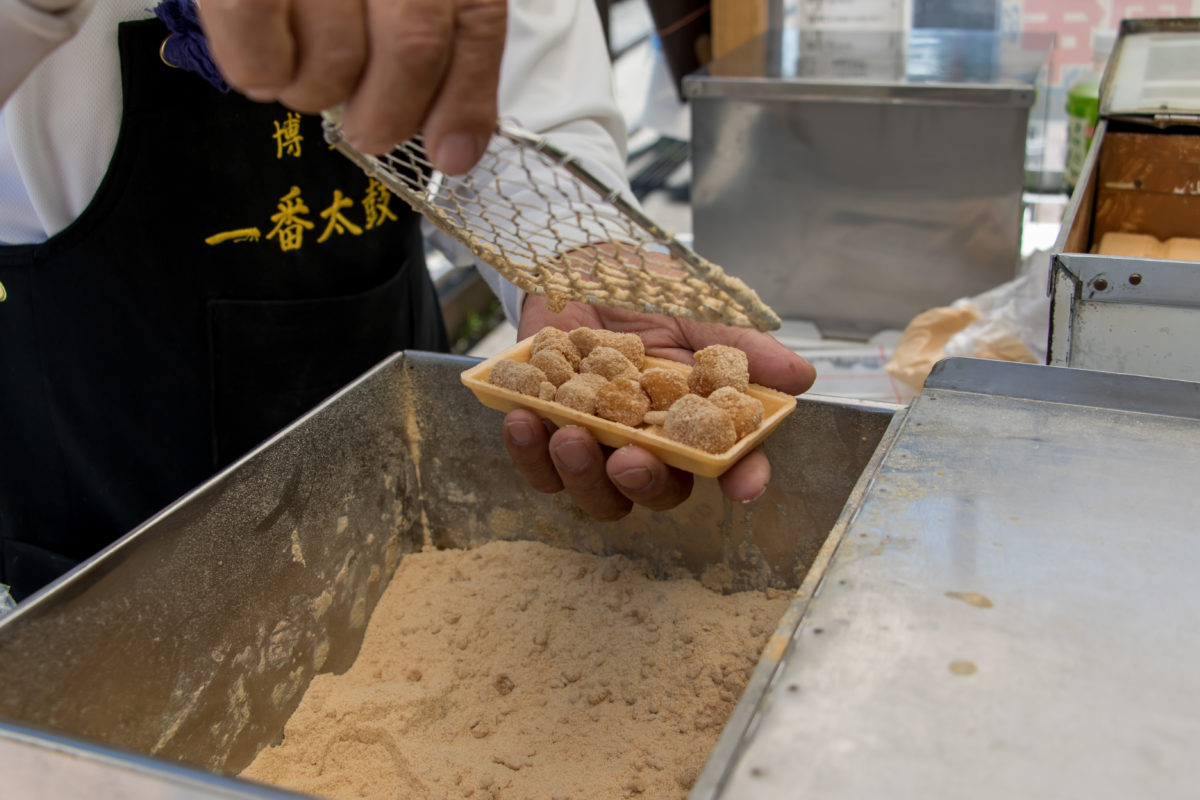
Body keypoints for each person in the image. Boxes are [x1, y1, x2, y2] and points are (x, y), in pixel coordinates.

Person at [0, 0, 814, 601]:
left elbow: (521, 73)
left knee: (398, 561)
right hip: (105, 432)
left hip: (368, 341)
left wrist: (569, 255)